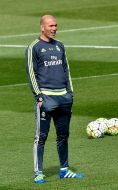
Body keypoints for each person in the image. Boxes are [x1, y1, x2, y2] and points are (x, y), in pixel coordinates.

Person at [25, 15, 84, 184]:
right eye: (51, 26)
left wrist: (70, 93)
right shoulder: (34, 47)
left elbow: (66, 70)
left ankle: (64, 170)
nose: (54, 28)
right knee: (41, 136)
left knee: (63, 135)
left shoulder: (60, 46)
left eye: (56, 25)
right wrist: (38, 96)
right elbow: (31, 73)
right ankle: (39, 172)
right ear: (42, 27)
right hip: (46, 98)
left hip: (64, 97)